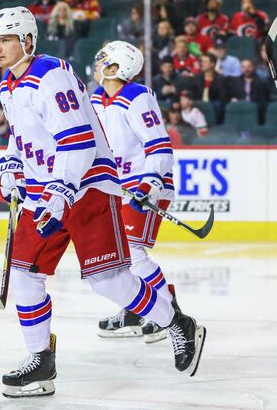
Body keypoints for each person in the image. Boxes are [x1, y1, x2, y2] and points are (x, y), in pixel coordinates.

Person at [0, 7, 206, 397]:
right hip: (45, 195)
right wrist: (9, 166)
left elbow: (78, 141)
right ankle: (41, 362)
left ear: (28, 41)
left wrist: (60, 194)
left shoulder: (50, 75)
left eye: (6, 39)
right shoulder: (9, 85)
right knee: (24, 278)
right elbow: (20, 136)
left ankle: (176, 322)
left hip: (86, 189)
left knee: (110, 282)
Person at [90, 41, 188, 342]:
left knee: (133, 252)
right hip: (117, 188)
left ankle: (169, 314)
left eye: (102, 59)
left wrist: (149, 183)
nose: (96, 62)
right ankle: (133, 309)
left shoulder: (136, 96)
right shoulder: (95, 98)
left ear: (115, 68)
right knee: (116, 256)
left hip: (145, 184)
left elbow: (159, 145)